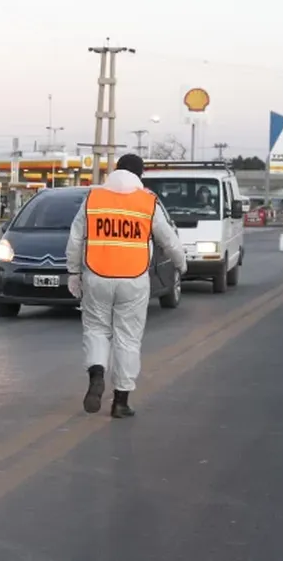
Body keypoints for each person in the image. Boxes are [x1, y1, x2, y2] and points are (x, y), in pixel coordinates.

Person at [65, 154, 186, 418]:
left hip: (96, 275)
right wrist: (181, 264)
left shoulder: (93, 198)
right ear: (139, 175)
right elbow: (168, 239)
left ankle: (97, 374)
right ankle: (121, 401)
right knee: (127, 338)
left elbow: (75, 239)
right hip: (134, 278)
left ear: (115, 171)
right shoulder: (147, 201)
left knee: (96, 330)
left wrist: (74, 272)